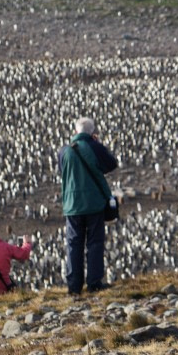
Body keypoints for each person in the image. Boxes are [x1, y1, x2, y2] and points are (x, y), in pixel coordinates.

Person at [59, 116, 118, 295]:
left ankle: (74, 287)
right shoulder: (94, 147)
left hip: (72, 205)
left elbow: (62, 171)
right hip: (93, 203)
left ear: (76, 131)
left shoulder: (64, 151)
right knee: (94, 242)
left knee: (73, 244)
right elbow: (111, 164)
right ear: (93, 132)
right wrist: (98, 146)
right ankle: (94, 283)